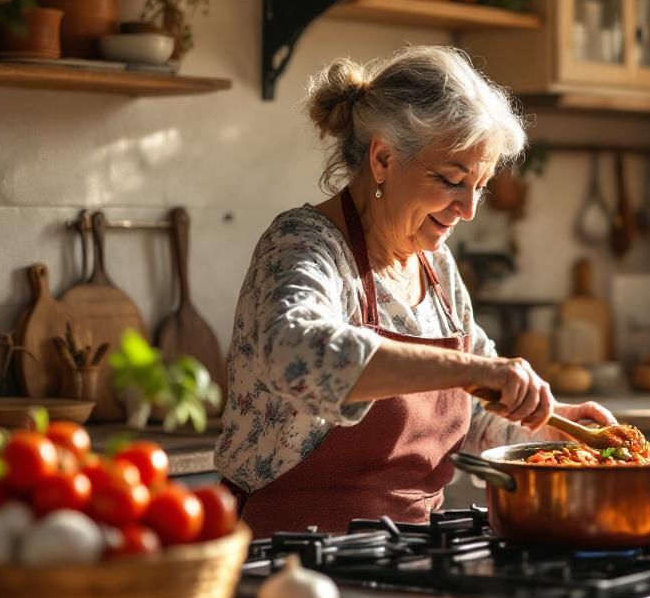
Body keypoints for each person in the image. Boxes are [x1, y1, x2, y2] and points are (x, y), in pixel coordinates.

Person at [215, 46, 616, 535]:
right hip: (295, 553)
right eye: (451, 180)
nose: (468, 209)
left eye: (480, 186)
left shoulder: (436, 266)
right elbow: (298, 352)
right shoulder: (304, 244)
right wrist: (472, 369)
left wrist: (550, 423)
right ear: (383, 158)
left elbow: (476, 413)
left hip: (412, 549)